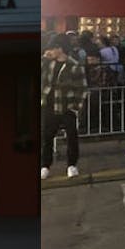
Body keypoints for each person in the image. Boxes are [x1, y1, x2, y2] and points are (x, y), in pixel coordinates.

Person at [41, 34, 88, 180]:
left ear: (59, 49)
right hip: (49, 104)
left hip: (67, 105)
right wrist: (44, 57)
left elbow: (82, 88)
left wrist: (76, 107)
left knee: (71, 137)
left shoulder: (74, 65)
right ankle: (45, 166)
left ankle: (71, 165)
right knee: (46, 136)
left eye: (52, 48)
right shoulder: (48, 62)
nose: (50, 51)